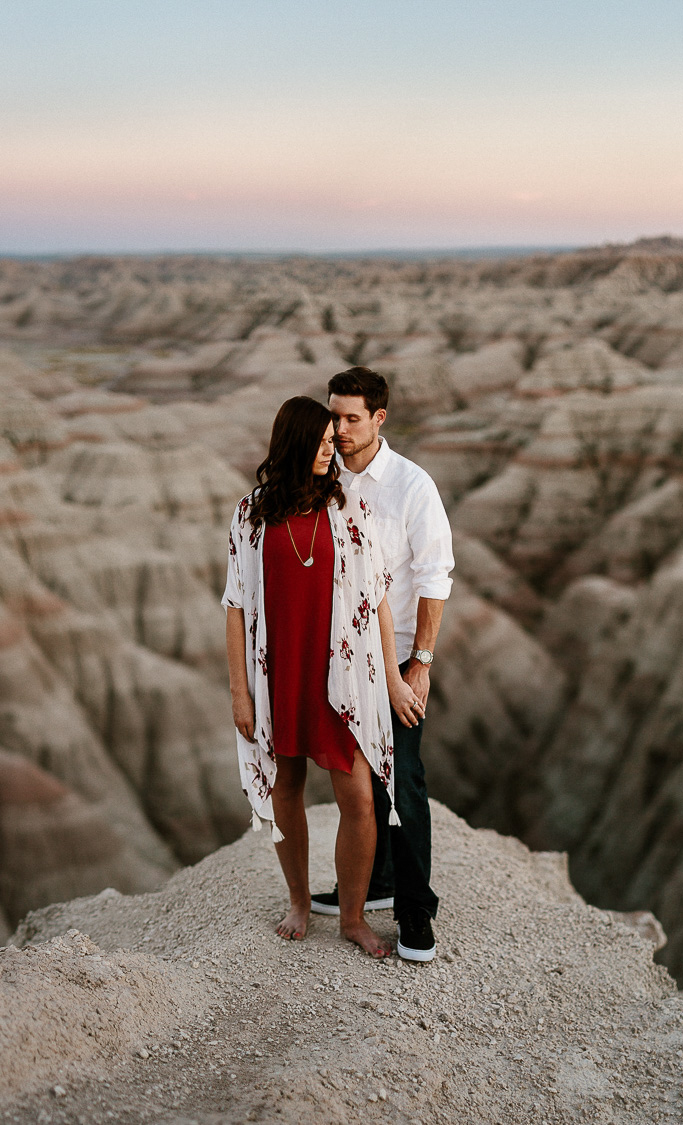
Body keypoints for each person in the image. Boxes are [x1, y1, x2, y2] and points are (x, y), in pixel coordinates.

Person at [222, 396, 424, 958]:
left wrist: (392, 678)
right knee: (286, 788)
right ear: (294, 442)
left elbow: (379, 600)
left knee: (358, 799)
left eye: (334, 441)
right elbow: (236, 606)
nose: (330, 449)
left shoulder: (347, 509)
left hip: (341, 677)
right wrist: (240, 693)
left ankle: (353, 919)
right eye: (320, 441)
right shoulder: (251, 514)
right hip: (280, 673)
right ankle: (299, 901)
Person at [311, 367, 453, 963]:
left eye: (351, 418)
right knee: (357, 783)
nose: (339, 430)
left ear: (379, 419)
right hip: (337, 663)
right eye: (333, 417)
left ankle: (416, 909)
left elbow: (433, 577)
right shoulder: (321, 479)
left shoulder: (412, 487)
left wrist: (420, 663)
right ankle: (373, 881)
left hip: (395, 660)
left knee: (406, 781)